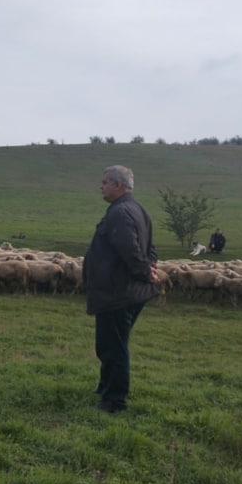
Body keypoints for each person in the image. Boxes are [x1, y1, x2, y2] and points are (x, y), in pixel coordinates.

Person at [83, 165, 158, 414]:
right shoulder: (137, 209)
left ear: (117, 185)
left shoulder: (120, 212)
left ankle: (114, 401)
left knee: (112, 347)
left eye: (105, 182)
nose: (101, 186)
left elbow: (130, 249)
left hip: (118, 292)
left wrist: (145, 271)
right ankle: (106, 387)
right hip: (129, 291)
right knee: (113, 343)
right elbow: (150, 248)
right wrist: (150, 268)